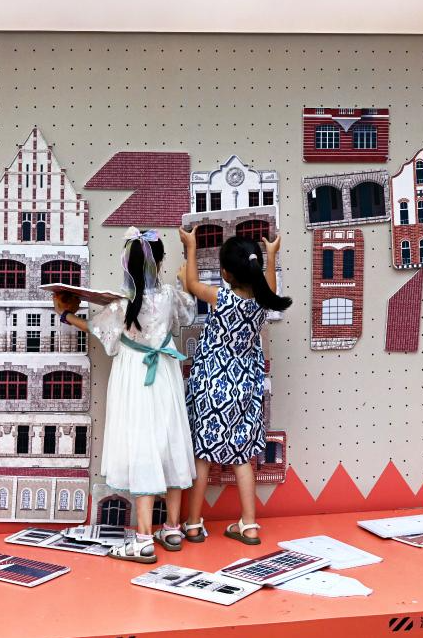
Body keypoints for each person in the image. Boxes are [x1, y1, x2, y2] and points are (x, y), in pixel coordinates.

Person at [55, 227, 196, 563]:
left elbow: (96, 328)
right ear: (159, 261)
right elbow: (188, 311)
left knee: (142, 445)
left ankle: (143, 539)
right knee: (170, 442)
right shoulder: (169, 296)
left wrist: (66, 314)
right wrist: (186, 268)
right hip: (165, 372)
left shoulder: (121, 305)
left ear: (126, 265)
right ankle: (172, 528)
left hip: (135, 376)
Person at [178, 229, 291, 546]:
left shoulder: (221, 298)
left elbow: (191, 284)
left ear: (225, 273)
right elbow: (270, 285)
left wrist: (191, 246)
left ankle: (193, 524)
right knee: (242, 459)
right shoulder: (262, 300)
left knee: (202, 456)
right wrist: (272, 255)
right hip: (244, 388)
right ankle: (249, 525)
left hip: (212, 386)